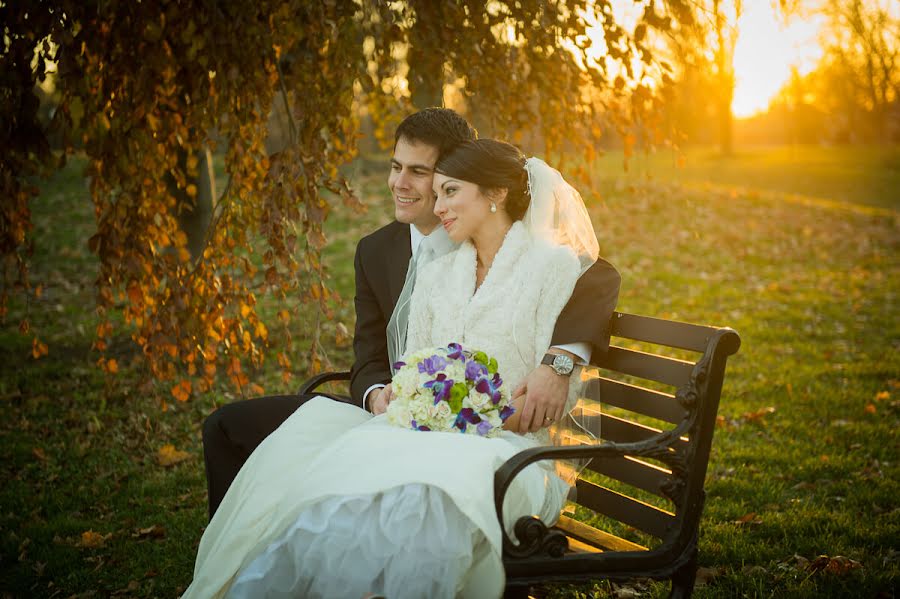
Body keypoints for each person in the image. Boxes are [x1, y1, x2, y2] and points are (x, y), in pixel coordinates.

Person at [184, 139, 609, 598]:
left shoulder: (552, 267)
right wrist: (418, 401)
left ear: (496, 195)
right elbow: (414, 367)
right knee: (321, 474)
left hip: (512, 451)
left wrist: (539, 376)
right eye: (438, 192)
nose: (438, 205)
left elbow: (547, 403)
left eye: (450, 192)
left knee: (420, 494)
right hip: (423, 435)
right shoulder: (437, 277)